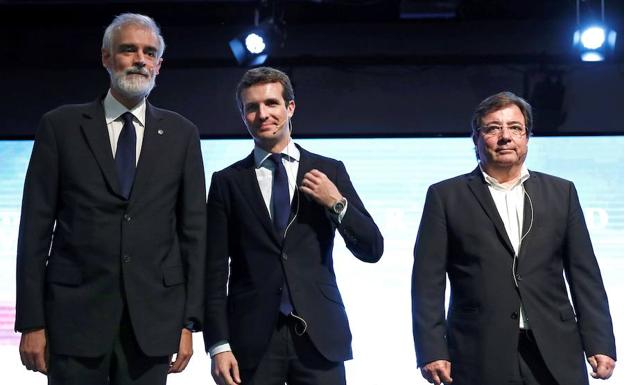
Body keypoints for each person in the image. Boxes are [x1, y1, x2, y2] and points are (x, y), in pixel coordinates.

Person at [15, 13, 206, 385]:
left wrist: (189, 323)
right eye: (128, 49)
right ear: (106, 58)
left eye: (149, 52)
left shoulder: (182, 134)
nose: (140, 59)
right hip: (72, 322)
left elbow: (193, 234)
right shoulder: (61, 127)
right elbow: (35, 231)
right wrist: (31, 321)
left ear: (159, 65)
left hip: (152, 325)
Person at [411, 91, 616, 385]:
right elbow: (426, 282)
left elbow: (585, 275)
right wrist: (431, 349)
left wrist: (600, 341)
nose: (505, 136)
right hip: (478, 349)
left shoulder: (561, 192)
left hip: (555, 348)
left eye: (515, 128)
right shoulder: (445, 196)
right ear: (476, 138)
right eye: (493, 128)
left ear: (527, 138)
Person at [203, 66, 384, 385]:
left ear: (290, 107)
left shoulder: (329, 171)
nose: (263, 114)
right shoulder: (227, 182)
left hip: (320, 335)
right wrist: (218, 345)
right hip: (251, 339)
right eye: (252, 107)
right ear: (243, 116)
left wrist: (336, 202)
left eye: (271, 103)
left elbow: (372, 248)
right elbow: (214, 270)